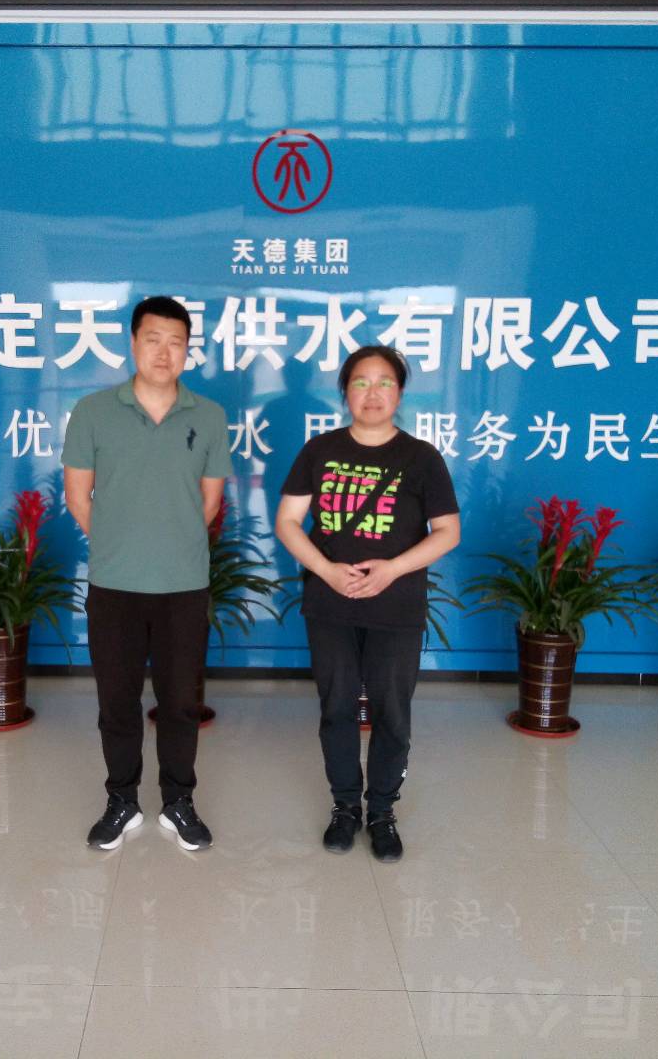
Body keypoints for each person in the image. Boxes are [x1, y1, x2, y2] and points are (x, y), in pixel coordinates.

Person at [275, 345, 460, 862]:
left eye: (384, 383)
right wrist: (328, 570)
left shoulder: (421, 457)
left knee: (392, 712)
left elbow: (448, 531)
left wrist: (392, 570)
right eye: (360, 382)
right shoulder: (320, 450)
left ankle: (381, 811)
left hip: (395, 607)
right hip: (330, 604)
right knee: (335, 708)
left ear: (399, 393)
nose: (372, 393)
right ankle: (344, 808)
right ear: (345, 391)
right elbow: (287, 521)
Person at [62, 295, 232, 852]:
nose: (164, 352)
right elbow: (79, 497)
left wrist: (168, 545)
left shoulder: (208, 416)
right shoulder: (92, 411)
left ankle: (179, 802)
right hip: (114, 584)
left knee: (180, 702)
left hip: (184, 585)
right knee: (117, 701)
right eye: (153, 339)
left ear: (188, 350)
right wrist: (124, 545)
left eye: (176, 342)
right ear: (133, 343)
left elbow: (209, 502)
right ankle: (122, 800)